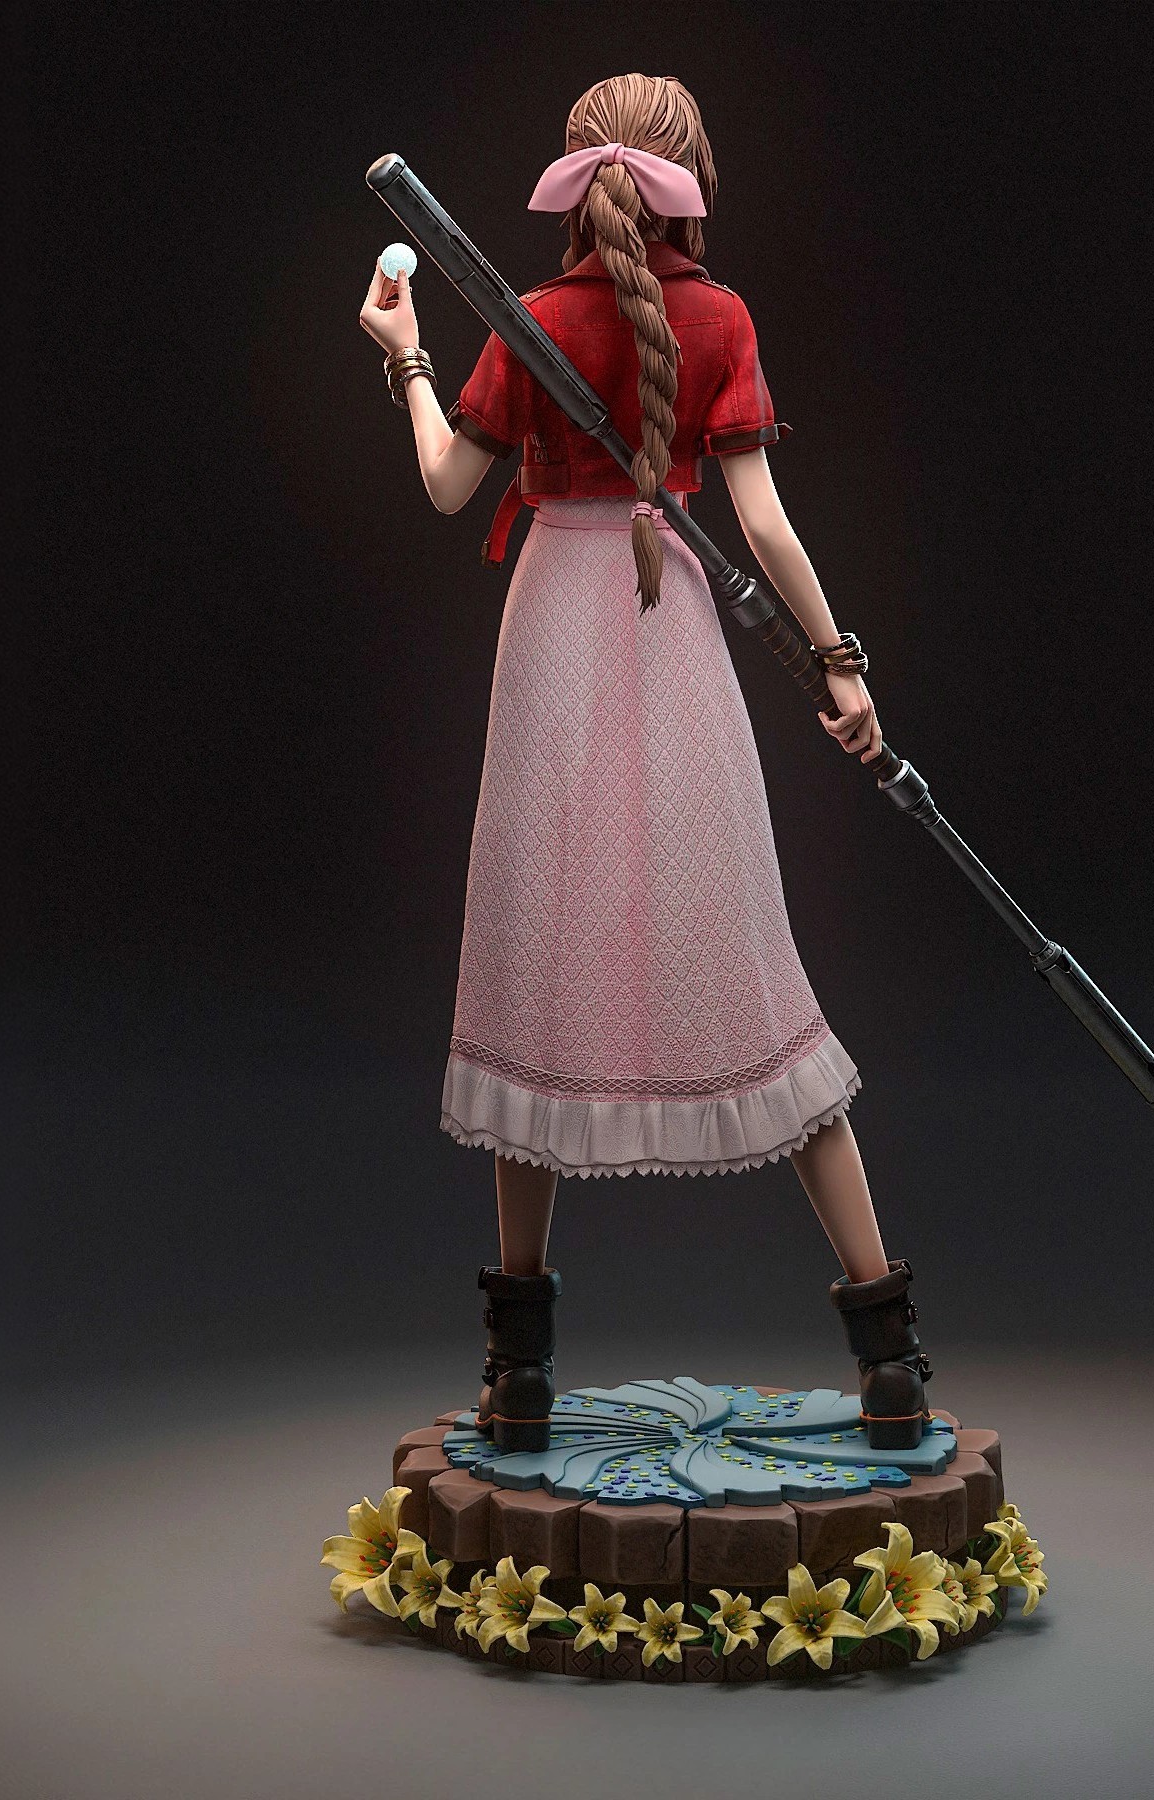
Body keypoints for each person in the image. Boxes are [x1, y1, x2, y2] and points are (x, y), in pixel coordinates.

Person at [357, 73, 933, 1454]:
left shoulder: (533, 318)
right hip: (666, 619)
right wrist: (840, 663)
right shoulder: (716, 317)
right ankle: (890, 1354)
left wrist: (408, 358)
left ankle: (518, 1372)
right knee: (739, 943)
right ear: (692, 182)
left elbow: (446, 484)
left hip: (558, 628)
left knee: (533, 953)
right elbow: (766, 525)